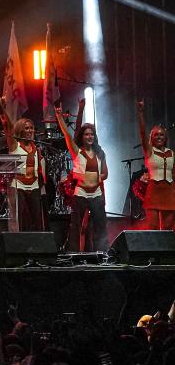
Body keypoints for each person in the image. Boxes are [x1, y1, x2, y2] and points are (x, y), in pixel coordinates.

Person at [55, 100, 108, 251]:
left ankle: (101, 253)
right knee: (77, 226)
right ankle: (74, 253)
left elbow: (105, 173)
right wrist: (60, 118)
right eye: (86, 134)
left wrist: (99, 177)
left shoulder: (100, 153)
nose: (89, 136)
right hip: (81, 193)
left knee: (100, 225)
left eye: (92, 134)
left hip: (96, 193)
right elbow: (68, 134)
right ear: (82, 137)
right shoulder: (77, 152)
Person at [0, 95, 46, 232]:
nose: (30, 130)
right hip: (18, 186)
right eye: (26, 128)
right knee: (19, 218)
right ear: (20, 130)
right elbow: (10, 127)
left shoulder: (37, 147)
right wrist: (4, 108)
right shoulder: (15, 145)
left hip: (34, 186)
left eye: (31, 128)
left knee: (37, 219)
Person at [136, 100, 175, 230]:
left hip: (169, 193)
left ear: (165, 137)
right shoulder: (149, 151)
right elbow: (142, 134)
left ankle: (166, 251)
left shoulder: (171, 153)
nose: (159, 137)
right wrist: (141, 113)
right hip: (154, 192)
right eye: (156, 135)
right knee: (152, 228)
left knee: (168, 228)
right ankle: (152, 251)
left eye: (162, 135)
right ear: (152, 137)